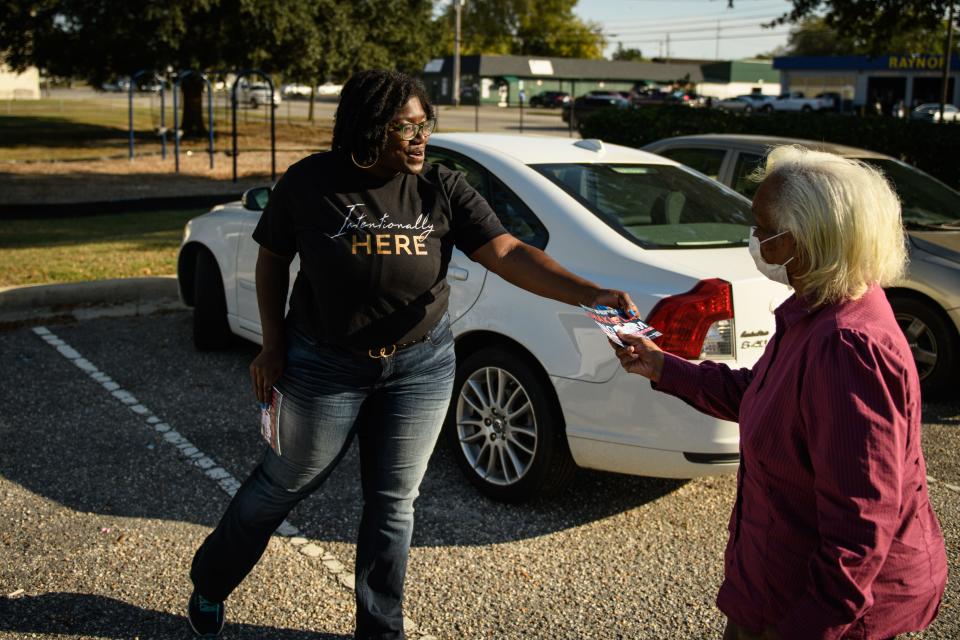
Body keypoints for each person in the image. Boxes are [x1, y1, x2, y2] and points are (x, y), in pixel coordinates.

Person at [186, 69, 637, 639]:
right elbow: (272, 258)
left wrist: (589, 293)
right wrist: (272, 347)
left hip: (419, 368)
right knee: (285, 482)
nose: (421, 139)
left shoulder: (441, 188)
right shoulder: (310, 183)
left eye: (426, 125)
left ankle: (380, 630)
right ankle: (211, 580)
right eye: (407, 127)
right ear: (370, 127)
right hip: (325, 366)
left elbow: (507, 249)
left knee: (394, 503)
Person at [613, 146, 946, 640]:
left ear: (808, 240)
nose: (753, 239)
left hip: (818, 614)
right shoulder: (819, 309)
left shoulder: (846, 348)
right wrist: (663, 366)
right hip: (783, 589)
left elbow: (859, 532)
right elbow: (761, 393)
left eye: (764, 229)